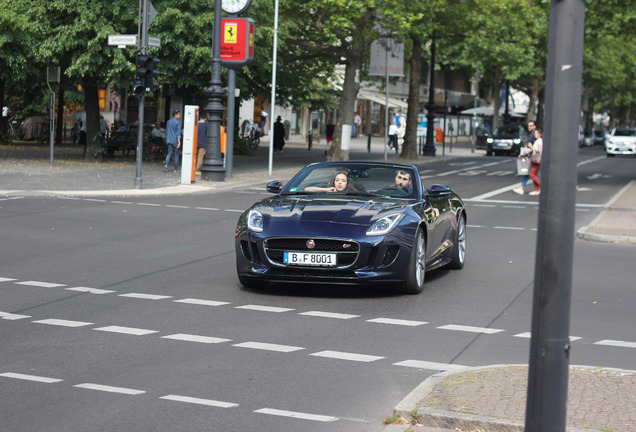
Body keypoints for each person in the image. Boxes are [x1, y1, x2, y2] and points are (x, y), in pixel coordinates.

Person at [513, 121, 538, 195]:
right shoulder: (530, 134)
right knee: (532, 173)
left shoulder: (534, 135)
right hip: (532, 156)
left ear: (534, 126)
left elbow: (535, 147)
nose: (529, 127)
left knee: (532, 173)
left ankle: (523, 188)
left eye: (531, 126)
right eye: (528, 125)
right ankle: (526, 188)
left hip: (534, 157)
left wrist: (525, 153)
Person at [527, 128, 543, 196]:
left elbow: (539, 150)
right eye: (535, 133)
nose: (535, 134)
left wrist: (531, 146)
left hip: (537, 159)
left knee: (532, 174)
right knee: (535, 174)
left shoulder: (539, 141)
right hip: (535, 159)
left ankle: (542, 187)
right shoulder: (537, 140)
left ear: (540, 134)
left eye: (536, 133)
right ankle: (536, 190)